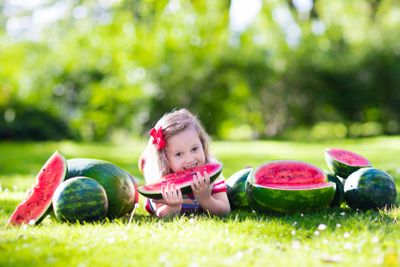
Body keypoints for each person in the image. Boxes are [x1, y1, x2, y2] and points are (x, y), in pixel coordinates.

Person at [138, 108, 230, 218]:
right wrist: (172, 207)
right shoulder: (162, 181)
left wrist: (206, 199)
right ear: (165, 158)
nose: (190, 159)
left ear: (203, 144)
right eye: (179, 154)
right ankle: (145, 161)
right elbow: (160, 214)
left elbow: (225, 210)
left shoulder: (213, 178)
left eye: (194, 149)